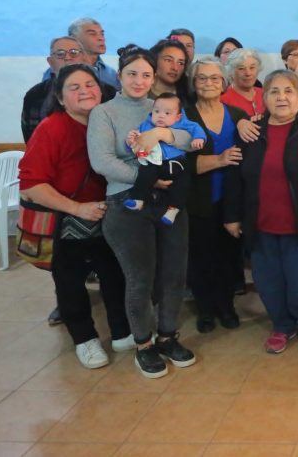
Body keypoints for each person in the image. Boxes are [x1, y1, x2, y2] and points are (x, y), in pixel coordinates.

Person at [88, 44, 199, 379]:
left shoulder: (163, 107)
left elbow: (190, 137)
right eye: (132, 74)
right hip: (127, 202)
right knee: (141, 278)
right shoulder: (104, 112)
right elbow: (102, 161)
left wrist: (164, 132)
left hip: (169, 204)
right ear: (119, 76)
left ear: (154, 78)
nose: (139, 80)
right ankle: (144, 345)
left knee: (174, 273)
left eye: (146, 75)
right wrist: (148, 178)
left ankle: (167, 336)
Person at [223, 70, 298, 355]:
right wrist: (232, 215)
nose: (281, 97)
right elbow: (235, 175)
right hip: (261, 226)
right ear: (263, 98)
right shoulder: (252, 131)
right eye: (274, 92)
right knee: (268, 283)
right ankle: (282, 326)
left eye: (288, 91)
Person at [19, 63, 130, 369]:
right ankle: (85, 339)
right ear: (61, 97)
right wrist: (77, 209)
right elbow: (31, 184)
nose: (85, 91)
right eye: (75, 87)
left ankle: (122, 331)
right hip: (67, 221)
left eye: (90, 85)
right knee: (70, 283)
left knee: (114, 276)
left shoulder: (107, 121)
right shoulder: (51, 129)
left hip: (108, 217)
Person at [182, 58, 246, 333]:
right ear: (193, 84)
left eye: (214, 78)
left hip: (231, 199)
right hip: (198, 199)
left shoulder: (237, 115)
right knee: (201, 257)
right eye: (202, 78)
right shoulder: (182, 117)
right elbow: (178, 165)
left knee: (229, 256)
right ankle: (205, 309)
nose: (209, 83)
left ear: (224, 83)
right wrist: (218, 160)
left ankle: (226, 306)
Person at [123, 93, 206, 225]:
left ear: (178, 117)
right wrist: (130, 141)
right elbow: (135, 146)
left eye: (167, 113)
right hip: (154, 163)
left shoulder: (182, 123)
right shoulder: (146, 125)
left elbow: (196, 128)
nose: (161, 115)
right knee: (144, 173)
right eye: (157, 111)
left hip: (177, 162)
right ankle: (138, 199)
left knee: (182, 184)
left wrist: (199, 138)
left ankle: (173, 210)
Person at [23, 36, 115, 143]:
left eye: (74, 52)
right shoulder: (35, 95)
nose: (67, 58)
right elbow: (32, 141)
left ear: (84, 58)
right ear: (50, 62)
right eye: (60, 54)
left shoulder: (108, 92)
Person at [41, 17, 119, 88]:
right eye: (92, 34)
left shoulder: (111, 73)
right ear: (74, 38)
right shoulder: (56, 71)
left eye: (102, 34)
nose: (101, 38)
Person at [221, 48, 265, 117]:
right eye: (241, 68)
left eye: (252, 67)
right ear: (230, 72)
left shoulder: (265, 94)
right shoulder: (223, 101)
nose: (248, 73)